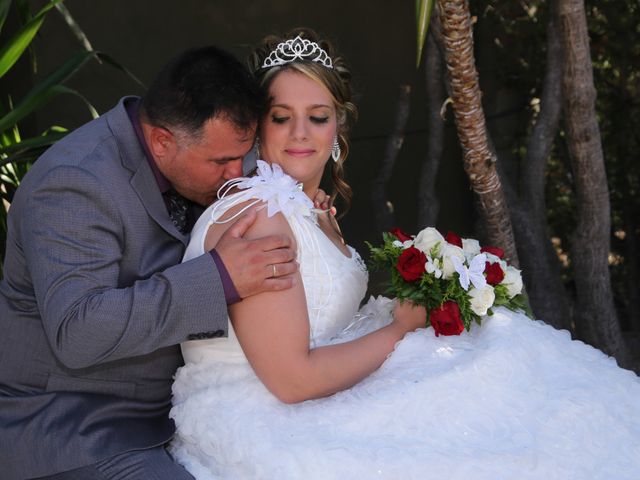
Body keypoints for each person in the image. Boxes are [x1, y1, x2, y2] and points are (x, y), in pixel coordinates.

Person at [168, 28, 640, 480]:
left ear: (338, 126)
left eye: (317, 116)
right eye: (280, 116)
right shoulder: (263, 214)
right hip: (262, 415)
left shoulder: (300, 209)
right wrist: (399, 327)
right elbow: (292, 381)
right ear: (256, 125)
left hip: (311, 388)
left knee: (502, 363)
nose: (299, 133)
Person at [0, 45, 338, 480]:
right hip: (77, 427)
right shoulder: (74, 183)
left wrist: (303, 212)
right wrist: (219, 278)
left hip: (189, 412)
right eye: (221, 162)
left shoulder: (209, 147)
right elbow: (79, 330)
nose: (239, 173)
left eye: (243, 154)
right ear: (161, 141)